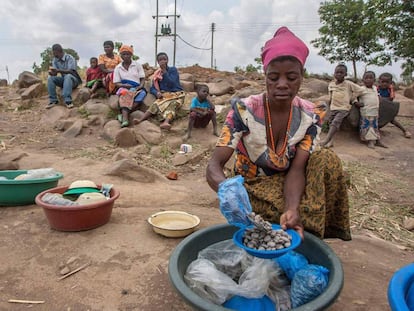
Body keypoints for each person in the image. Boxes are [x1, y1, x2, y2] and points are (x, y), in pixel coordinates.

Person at [206, 26, 351, 241]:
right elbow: (214, 165)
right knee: (267, 211)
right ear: (265, 76)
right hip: (252, 188)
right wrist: (226, 189)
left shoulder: (311, 115)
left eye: (291, 77)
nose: (282, 84)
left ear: (301, 76)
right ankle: (287, 229)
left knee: (326, 160)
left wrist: (292, 207)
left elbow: (298, 169)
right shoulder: (244, 110)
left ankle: (303, 236)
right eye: (273, 77)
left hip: (291, 182)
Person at [133, 52, 185, 130]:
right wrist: (156, 93)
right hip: (164, 95)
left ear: (167, 60)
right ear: (158, 62)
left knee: (173, 104)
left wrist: (164, 71)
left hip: (176, 94)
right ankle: (141, 120)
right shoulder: (157, 74)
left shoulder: (173, 70)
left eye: (164, 59)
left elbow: (172, 83)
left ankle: (166, 122)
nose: (162, 61)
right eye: (160, 60)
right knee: (155, 104)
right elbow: (152, 88)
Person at [320, 64, 366, 147]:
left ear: (345, 74)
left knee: (335, 122)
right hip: (333, 107)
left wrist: (352, 98)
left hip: (343, 108)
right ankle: (331, 142)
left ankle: (326, 139)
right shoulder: (331, 84)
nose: (339, 74)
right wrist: (329, 106)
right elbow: (330, 96)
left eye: (341, 73)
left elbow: (360, 90)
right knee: (331, 123)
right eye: (337, 72)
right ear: (334, 73)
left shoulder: (348, 84)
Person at [113, 45, 147, 128]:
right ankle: (125, 120)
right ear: (121, 55)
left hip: (136, 87)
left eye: (128, 54)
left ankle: (123, 114)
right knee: (126, 94)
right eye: (124, 54)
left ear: (131, 55)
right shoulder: (118, 68)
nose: (126, 56)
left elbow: (142, 78)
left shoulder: (137, 65)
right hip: (124, 87)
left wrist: (140, 86)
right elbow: (116, 83)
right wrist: (124, 85)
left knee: (142, 94)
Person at [47, 44, 82, 109]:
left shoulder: (70, 58)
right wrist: (52, 73)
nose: (55, 56)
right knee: (50, 78)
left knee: (68, 76)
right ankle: (53, 101)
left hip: (73, 80)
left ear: (60, 52)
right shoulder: (55, 60)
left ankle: (68, 101)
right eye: (54, 54)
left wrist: (58, 70)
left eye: (56, 54)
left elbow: (71, 71)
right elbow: (55, 73)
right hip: (64, 81)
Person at [357, 71, 387, 149]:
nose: (368, 80)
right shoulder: (361, 89)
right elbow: (353, 96)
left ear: (374, 80)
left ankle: (377, 140)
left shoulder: (375, 88)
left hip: (375, 111)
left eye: (371, 78)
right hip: (366, 112)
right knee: (367, 127)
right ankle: (369, 141)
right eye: (366, 78)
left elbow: (377, 95)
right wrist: (356, 103)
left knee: (375, 126)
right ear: (363, 79)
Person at [377, 72, 411, 138]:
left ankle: (405, 131)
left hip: (387, 107)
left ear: (390, 82)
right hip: (378, 107)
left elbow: (391, 98)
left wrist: (381, 99)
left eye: (387, 82)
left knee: (392, 120)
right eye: (382, 82)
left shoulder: (390, 89)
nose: (384, 84)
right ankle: (377, 130)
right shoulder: (377, 88)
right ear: (379, 81)